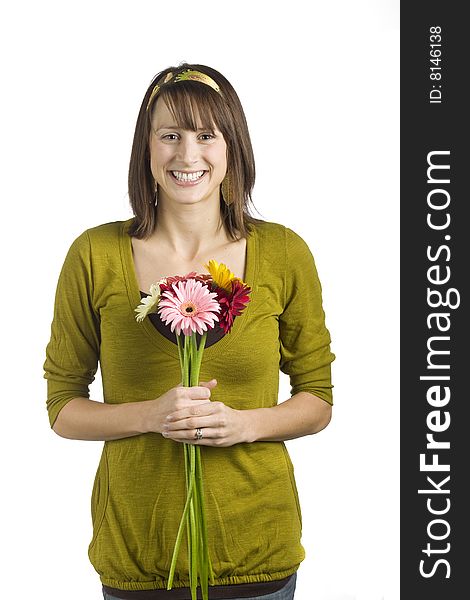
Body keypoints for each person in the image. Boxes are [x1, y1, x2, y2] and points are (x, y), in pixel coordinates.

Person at [44, 63, 335, 600]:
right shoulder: (94, 254)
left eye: (206, 135)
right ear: (146, 148)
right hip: (139, 554)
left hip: (258, 553)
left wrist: (244, 425)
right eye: (169, 135)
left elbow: (318, 399)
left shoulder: (284, 252)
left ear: (232, 148)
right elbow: (62, 407)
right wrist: (150, 416)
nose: (187, 154)